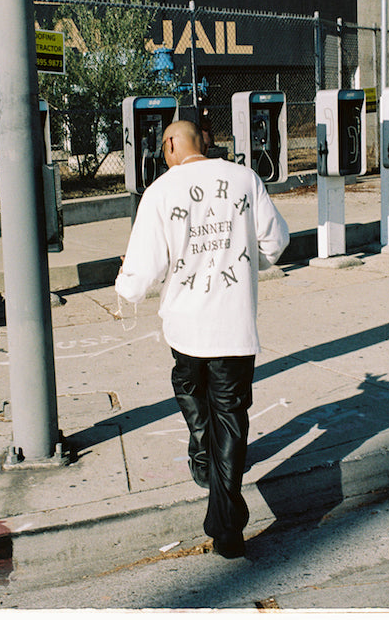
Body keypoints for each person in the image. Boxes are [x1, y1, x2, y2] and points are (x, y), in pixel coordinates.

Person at [115, 120, 290, 558]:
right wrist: (250, 264)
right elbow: (277, 243)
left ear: (172, 144)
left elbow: (139, 276)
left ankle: (201, 449)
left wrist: (125, 282)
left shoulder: (159, 192)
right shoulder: (245, 178)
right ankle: (227, 524)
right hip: (233, 326)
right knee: (231, 417)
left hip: (187, 328)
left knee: (189, 388)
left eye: (162, 145)